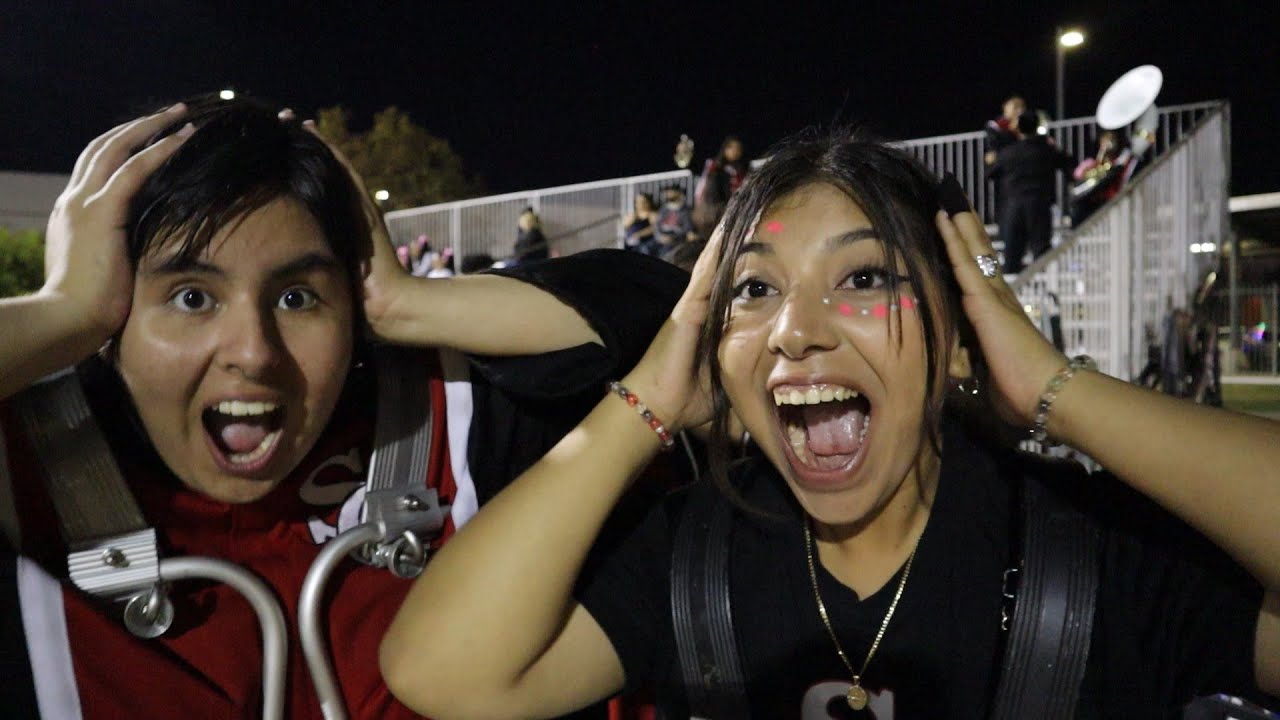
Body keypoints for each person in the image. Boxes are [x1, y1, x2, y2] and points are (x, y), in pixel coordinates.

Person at [380, 129, 1280, 718]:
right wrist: (648, 402)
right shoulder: (691, 556)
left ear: (958, 326)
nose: (795, 333)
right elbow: (439, 670)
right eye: (754, 291)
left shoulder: (1090, 553)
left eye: (864, 279)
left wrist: (1052, 386)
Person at [0, 94, 686, 718]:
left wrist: (406, 303)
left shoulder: (442, 421)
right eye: (192, 297)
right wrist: (63, 312)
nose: (254, 352)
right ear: (111, 325)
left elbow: (681, 326)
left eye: (297, 297)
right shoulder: (31, 471)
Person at [987, 109, 1075, 274]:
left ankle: (1012, 295)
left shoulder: (1009, 152)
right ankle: (1045, 293)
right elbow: (1068, 164)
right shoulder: (1046, 149)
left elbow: (991, 172)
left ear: (1018, 129)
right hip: (1039, 205)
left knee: (1012, 256)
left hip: (1013, 208)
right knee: (1041, 253)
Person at [693, 136, 749, 238]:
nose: (735, 151)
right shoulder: (715, 167)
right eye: (732, 148)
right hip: (715, 210)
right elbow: (704, 185)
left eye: (738, 149)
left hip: (735, 208)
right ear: (725, 149)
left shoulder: (743, 170)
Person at [653, 184, 697, 256]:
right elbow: (657, 225)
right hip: (661, 238)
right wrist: (660, 236)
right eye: (667, 192)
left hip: (675, 239)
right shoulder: (663, 209)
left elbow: (688, 228)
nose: (668, 194)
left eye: (671, 192)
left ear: (678, 193)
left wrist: (673, 237)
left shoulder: (685, 210)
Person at [983, 94, 1025, 166]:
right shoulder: (995, 125)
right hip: (1006, 161)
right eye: (1015, 107)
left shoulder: (1026, 124)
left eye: (1021, 107)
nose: (1019, 111)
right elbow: (992, 147)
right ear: (1005, 107)